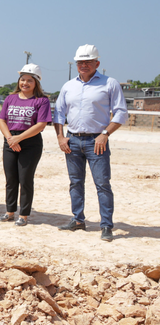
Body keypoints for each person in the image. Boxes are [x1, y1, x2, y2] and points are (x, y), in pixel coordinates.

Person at [54, 44, 127, 242]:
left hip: (98, 141)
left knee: (102, 183)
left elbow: (121, 112)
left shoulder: (109, 83)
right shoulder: (69, 86)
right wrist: (60, 137)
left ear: (97, 63)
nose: (83, 65)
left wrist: (105, 134)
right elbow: (59, 113)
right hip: (73, 140)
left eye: (87, 62)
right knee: (75, 182)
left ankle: (106, 226)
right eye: (80, 62)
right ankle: (78, 220)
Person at [0, 64, 51, 226]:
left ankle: (24, 215)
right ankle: (10, 212)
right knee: (11, 179)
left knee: (25, 179)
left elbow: (41, 125)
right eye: (22, 80)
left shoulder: (42, 101)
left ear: (36, 83)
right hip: (10, 140)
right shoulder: (10, 98)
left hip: (30, 143)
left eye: (29, 80)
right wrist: (10, 138)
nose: (25, 83)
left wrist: (19, 138)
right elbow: (1, 120)